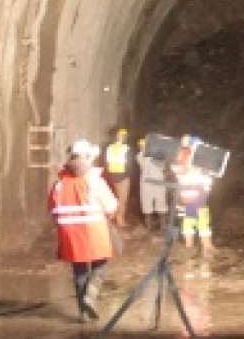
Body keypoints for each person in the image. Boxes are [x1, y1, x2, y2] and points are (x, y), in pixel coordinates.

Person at [48, 139, 120, 322]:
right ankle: (90, 296)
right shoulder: (94, 180)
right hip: (94, 231)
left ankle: (83, 312)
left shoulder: (60, 183)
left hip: (70, 234)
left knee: (79, 270)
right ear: (88, 158)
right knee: (100, 265)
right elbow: (111, 206)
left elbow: (52, 207)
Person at [174, 134, 216, 254]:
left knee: (189, 219)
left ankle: (191, 246)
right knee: (200, 219)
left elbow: (177, 172)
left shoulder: (180, 158)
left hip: (187, 195)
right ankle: (206, 246)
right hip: (196, 194)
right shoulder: (195, 159)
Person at [136, 136, 171, 233]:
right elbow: (144, 162)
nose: (143, 147)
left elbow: (166, 166)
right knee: (147, 205)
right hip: (146, 184)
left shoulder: (159, 155)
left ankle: (163, 226)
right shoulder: (140, 156)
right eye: (141, 146)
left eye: (145, 145)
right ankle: (149, 226)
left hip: (159, 182)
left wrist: (166, 177)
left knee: (161, 204)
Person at [104, 127, 134, 227]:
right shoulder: (126, 148)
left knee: (115, 196)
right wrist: (128, 175)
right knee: (122, 198)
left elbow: (106, 162)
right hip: (123, 176)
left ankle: (112, 215)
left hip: (112, 175)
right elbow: (129, 164)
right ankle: (120, 219)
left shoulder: (110, 148)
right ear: (124, 137)